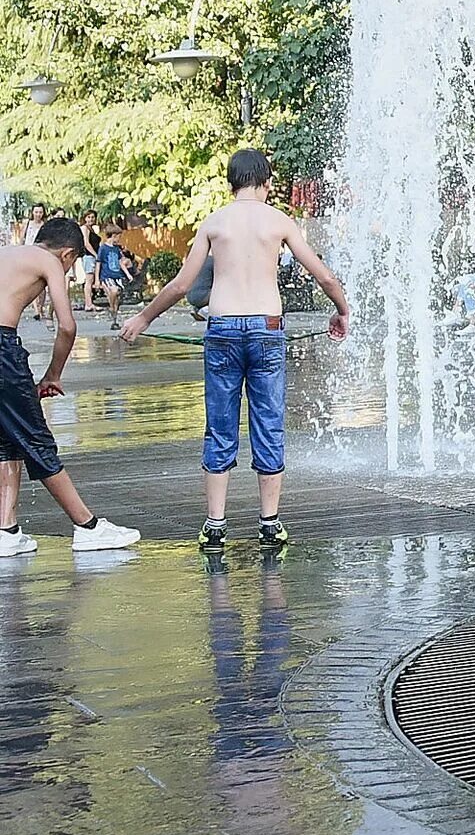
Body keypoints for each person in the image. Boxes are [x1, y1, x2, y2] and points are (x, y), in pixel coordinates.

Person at [121, 149, 349, 551]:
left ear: (231, 183)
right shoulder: (279, 221)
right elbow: (324, 275)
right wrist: (342, 311)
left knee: (220, 424)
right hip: (267, 328)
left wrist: (142, 319)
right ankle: (269, 522)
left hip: (223, 328)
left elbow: (180, 285)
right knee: (268, 422)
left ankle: (215, 525)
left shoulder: (214, 222)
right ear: (266, 182)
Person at [0, 218, 142, 555]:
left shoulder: (9, 253)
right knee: (37, 439)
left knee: (7, 440)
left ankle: (6, 530)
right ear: (67, 254)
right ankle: (88, 526)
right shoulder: (49, 261)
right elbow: (67, 327)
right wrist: (53, 375)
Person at [94, 224, 132, 329]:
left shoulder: (116, 249)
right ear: (114, 235)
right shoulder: (103, 248)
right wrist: (97, 279)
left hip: (117, 276)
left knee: (118, 298)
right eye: (119, 236)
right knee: (113, 291)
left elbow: (120, 262)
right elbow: (98, 263)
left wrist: (128, 274)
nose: (120, 239)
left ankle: (114, 320)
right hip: (107, 276)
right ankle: (111, 308)